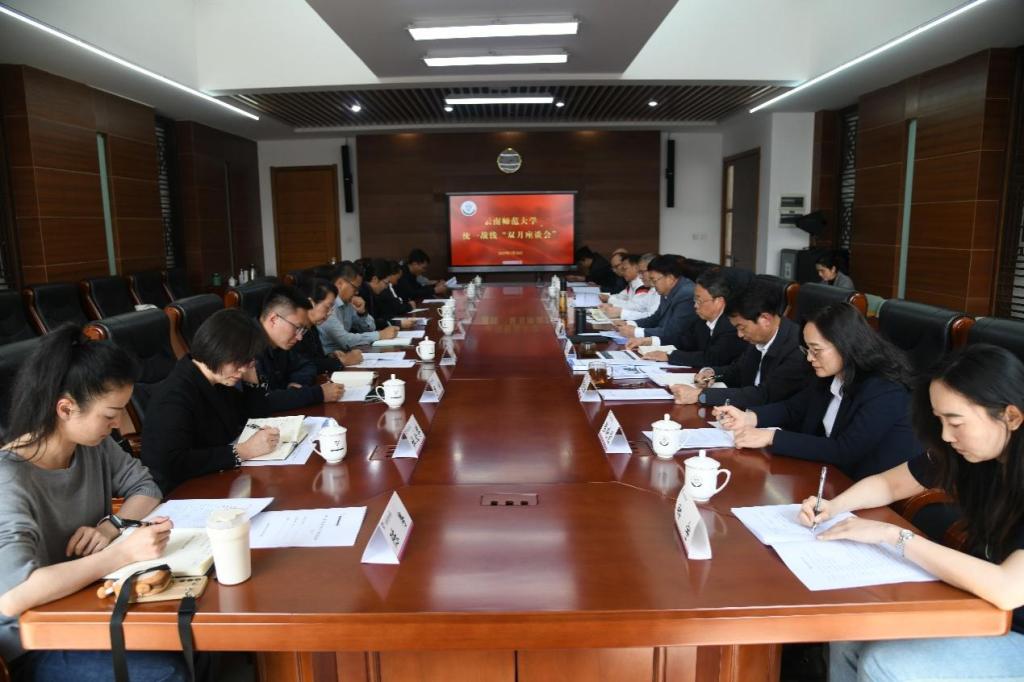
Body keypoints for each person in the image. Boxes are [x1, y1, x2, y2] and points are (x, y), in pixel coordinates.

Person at [799, 344, 1024, 680]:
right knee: (851, 629)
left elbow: (1009, 588)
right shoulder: (973, 454)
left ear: (1011, 416)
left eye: (955, 422)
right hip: (982, 605)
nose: (945, 435)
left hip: (1011, 623)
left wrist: (895, 536)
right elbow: (890, 484)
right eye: (939, 420)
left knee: (883, 663)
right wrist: (833, 506)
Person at [0, 325, 185, 681]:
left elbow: (146, 487)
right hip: (31, 641)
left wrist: (111, 527)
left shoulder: (91, 445)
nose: (117, 424)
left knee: (188, 635)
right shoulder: (8, 479)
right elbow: (13, 596)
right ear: (66, 408)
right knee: (165, 672)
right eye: (110, 414)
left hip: (86, 605)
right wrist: (121, 553)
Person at [715, 303, 921, 480]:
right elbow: (793, 408)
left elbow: (844, 450)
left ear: (845, 344)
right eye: (807, 349)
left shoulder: (885, 389)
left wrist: (771, 437)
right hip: (827, 474)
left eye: (816, 350)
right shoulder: (833, 374)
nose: (809, 358)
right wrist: (749, 418)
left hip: (866, 488)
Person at [142, 308, 278, 494]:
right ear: (220, 351)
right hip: (182, 492)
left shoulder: (217, 380)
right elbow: (171, 463)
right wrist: (243, 451)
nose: (243, 369)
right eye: (241, 361)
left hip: (217, 479)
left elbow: (255, 419)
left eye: (250, 361)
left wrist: (250, 377)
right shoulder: (174, 395)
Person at [672, 280, 812, 408]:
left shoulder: (798, 348)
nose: (739, 335)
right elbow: (738, 371)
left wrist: (701, 395)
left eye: (742, 328)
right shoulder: (758, 338)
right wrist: (712, 374)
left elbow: (763, 395)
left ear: (765, 319)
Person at [256, 284, 344, 410]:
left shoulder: (279, 344)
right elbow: (261, 401)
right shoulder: (246, 347)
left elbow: (306, 365)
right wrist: (318, 394)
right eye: (297, 328)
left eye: (302, 330)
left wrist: (296, 384)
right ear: (273, 319)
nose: (299, 337)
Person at [643, 268, 747, 369]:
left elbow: (712, 358)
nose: (695, 306)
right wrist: (650, 341)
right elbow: (684, 341)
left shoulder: (731, 325)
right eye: (695, 300)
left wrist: (670, 356)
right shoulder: (701, 320)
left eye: (699, 301)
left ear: (719, 302)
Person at [616, 255, 695, 349]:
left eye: (654, 280)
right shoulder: (667, 289)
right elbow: (656, 318)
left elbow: (673, 332)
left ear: (670, 278)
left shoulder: (686, 294)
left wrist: (636, 332)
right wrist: (630, 324)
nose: (653, 284)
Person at [320, 262, 398, 353]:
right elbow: (345, 340)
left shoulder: (348, 303)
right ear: (340, 284)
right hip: (329, 357)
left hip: (346, 353)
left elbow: (371, 328)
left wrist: (362, 313)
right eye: (354, 287)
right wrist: (380, 335)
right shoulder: (328, 305)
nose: (357, 292)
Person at [295, 279, 362, 374]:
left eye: (332, 308)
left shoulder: (312, 327)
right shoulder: (294, 330)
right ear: (311, 303)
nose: (330, 313)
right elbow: (301, 366)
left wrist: (330, 356)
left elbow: (315, 359)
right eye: (327, 307)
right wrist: (342, 361)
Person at [361, 259, 413, 330]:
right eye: (386, 283)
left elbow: (383, 317)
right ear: (375, 279)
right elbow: (371, 323)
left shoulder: (372, 293)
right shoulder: (363, 293)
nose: (386, 287)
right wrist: (398, 324)